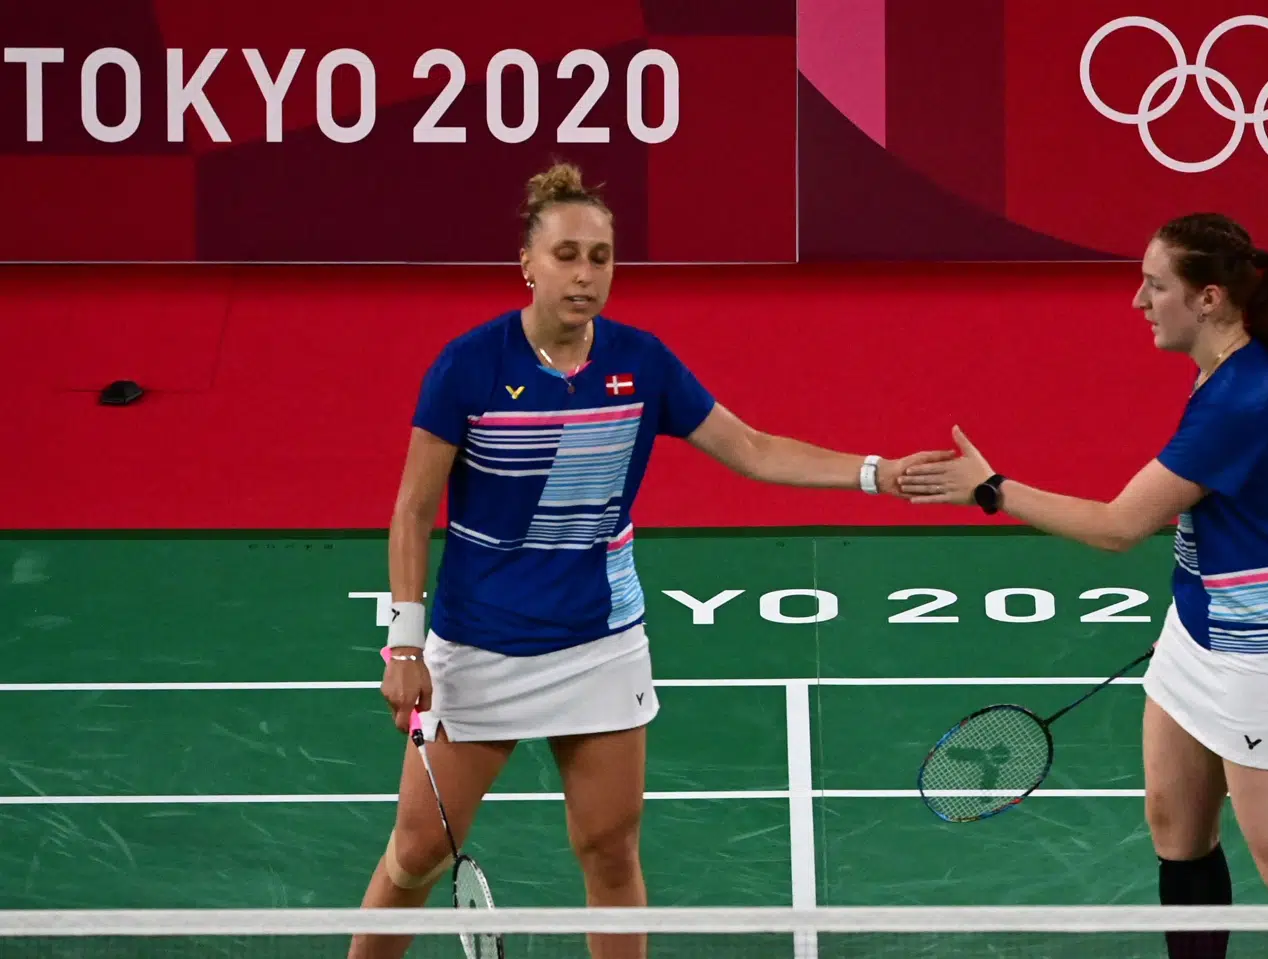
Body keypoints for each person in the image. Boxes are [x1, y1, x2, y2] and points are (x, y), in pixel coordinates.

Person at [347, 162, 951, 959]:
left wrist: (877, 473)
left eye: (600, 257)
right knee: (418, 851)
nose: (584, 274)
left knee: (610, 851)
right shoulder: (469, 367)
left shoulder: (641, 364)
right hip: (481, 642)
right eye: (566, 255)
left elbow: (752, 449)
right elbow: (412, 509)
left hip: (599, 641)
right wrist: (404, 643)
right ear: (527, 264)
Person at [897, 213, 1268, 959]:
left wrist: (993, 489)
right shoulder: (1240, 363)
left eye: (1155, 285)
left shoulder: (1238, 402)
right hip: (1202, 629)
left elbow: (1117, 527)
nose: (1138, 301)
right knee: (1177, 830)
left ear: (1209, 298)